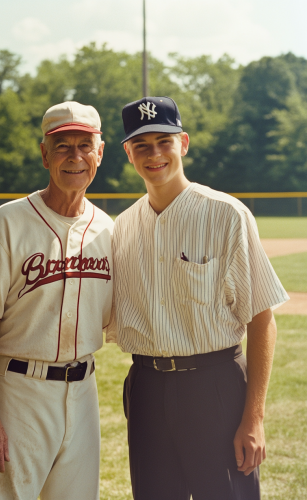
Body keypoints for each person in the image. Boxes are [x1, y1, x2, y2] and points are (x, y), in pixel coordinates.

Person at [106, 96, 289, 500]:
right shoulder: (122, 228)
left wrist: (254, 418)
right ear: (128, 154)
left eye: (164, 141)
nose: (154, 154)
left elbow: (262, 319)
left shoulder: (226, 214)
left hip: (216, 385)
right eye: (142, 145)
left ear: (183, 143)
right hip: (147, 387)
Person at [0, 101, 114, 500]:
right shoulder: (7, 222)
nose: (74, 156)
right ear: (45, 154)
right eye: (62, 146)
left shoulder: (109, 231)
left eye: (84, 145)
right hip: (20, 392)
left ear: (100, 153)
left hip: (84, 393)